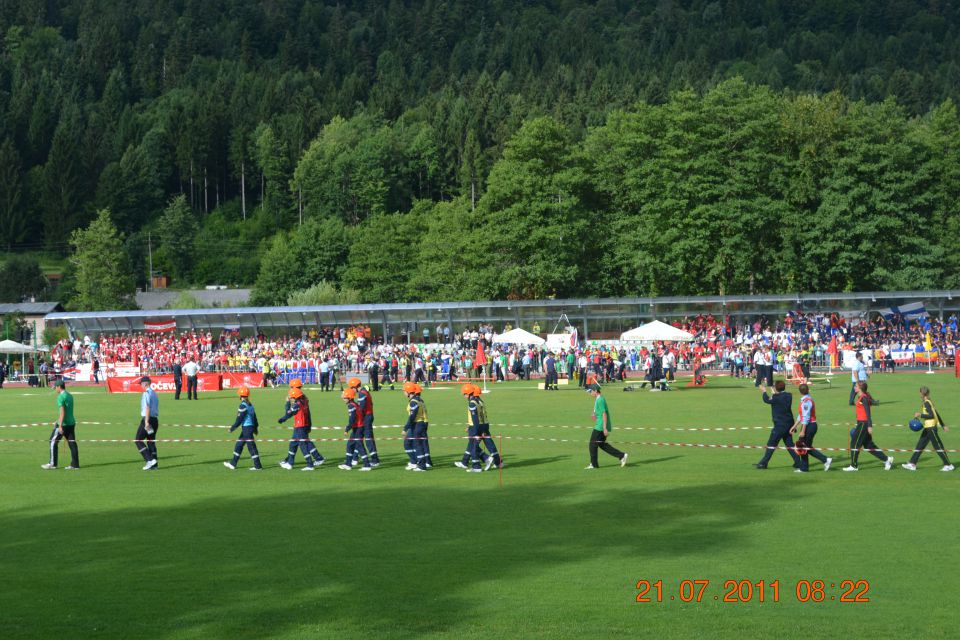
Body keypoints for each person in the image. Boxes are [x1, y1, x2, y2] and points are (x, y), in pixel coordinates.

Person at [843, 381, 893, 472]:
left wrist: (870, 426)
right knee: (868, 446)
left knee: (854, 443)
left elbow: (868, 413)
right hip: (861, 423)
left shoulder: (864, 399)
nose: (854, 387)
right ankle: (887, 460)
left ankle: (853, 466)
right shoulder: (861, 397)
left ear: (860, 388)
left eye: (856, 386)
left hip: (863, 424)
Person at [902, 386, 954, 472]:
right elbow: (936, 413)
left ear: (922, 393)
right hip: (927, 428)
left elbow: (932, 415)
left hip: (931, 428)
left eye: (919, 392)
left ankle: (948, 465)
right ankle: (912, 463)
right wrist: (943, 425)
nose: (919, 394)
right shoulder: (929, 402)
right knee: (920, 445)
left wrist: (920, 415)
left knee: (937, 446)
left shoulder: (926, 403)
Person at [753, 380, 802, 470]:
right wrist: (775, 392)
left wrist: (764, 391)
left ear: (776, 388)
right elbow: (779, 396)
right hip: (789, 423)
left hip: (780, 425)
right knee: (789, 444)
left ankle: (763, 463)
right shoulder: (788, 396)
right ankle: (798, 462)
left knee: (771, 444)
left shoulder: (775, 397)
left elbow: (766, 400)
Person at [278, 379, 325, 470]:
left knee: (303, 444)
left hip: (300, 426)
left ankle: (309, 464)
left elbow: (289, 413)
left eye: (291, 388)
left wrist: (287, 405)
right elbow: (308, 413)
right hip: (304, 425)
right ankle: (290, 462)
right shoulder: (304, 399)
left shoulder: (297, 403)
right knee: (295, 444)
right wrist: (309, 425)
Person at [790, 384, 832, 472]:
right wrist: (794, 426)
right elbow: (801, 416)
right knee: (804, 447)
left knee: (804, 447)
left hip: (809, 426)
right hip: (809, 425)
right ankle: (805, 467)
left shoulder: (806, 402)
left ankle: (825, 460)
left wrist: (803, 431)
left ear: (800, 392)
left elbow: (806, 417)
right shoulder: (807, 400)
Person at [585, 383, 627, 469]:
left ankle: (594, 464)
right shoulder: (598, 399)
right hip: (600, 424)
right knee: (602, 444)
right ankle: (621, 455)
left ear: (595, 391)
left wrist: (604, 428)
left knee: (592, 444)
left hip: (600, 426)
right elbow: (599, 412)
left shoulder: (600, 400)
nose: (590, 393)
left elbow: (604, 414)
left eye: (590, 391)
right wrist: (594, 414)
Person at [41, 380, 79, 470]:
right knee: (72, 443)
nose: (55, 389)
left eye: (56, 387)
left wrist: (60, 425)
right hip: (71, 423)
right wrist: (58, 420)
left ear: (59, 387)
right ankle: (75, 464)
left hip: (64, 424)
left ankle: (52, 463)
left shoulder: (60, 397)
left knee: (52, 441)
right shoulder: (70, 395)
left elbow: (62, 412)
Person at [224, 386, 262, 470]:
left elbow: (239, 419)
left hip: (247, 429)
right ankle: (233, 463)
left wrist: (232, 428)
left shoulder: (243, 406)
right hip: (249, 428)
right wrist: (255, 428)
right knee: (239, 445)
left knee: (251, 447)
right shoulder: (250, 405)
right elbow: (254, 418)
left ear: (240, 396)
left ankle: (258, 466)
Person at [339, 388, 372, 471]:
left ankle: (367, 465)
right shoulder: (355, 404)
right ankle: (348, 464)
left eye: (344, 398)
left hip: (358, 428)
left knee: (360, 446)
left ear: (349, 397)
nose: (343, 399)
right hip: (357, 428)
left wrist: (347, 429)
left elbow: (352, 419)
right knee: (350, 445)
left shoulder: (351, 406)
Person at [350, 377, 380, 467]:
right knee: (359, 437)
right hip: (367, 417)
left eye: (352, 388)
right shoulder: (364, 392)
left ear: (355, 387)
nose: (352, 390)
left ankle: (375, 459)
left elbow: (361, 409)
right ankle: (355, 458)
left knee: (368, 439)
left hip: (366, 417)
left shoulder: (362, 394)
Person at [402, 382, 430, 471]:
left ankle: (421, 465)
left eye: (404, 391)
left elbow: (412, 416)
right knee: (412, 444)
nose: (403, 392)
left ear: (408, 391)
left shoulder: (414, 402)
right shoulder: (417, 400)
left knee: (417, 445)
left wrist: (405, 428)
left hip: (417, 424)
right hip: (419, 424)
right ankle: (415, 462)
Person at [135, 376, 160, 470]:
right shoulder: (154, 393)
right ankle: (154, 465)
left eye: (141, 384)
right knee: (150, 441)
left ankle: (149, 460)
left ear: (145, 384)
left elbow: (147, 408)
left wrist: (146, 422)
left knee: (138, 440)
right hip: (155, 420)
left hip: (148, 419)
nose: (141, 386)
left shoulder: (146, 393)